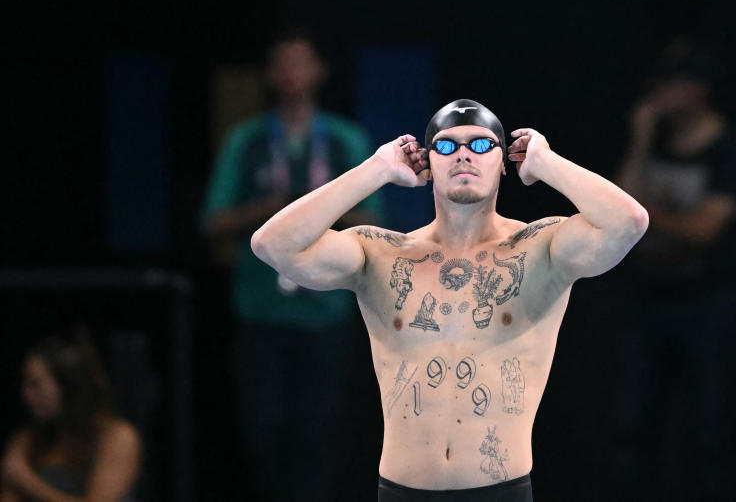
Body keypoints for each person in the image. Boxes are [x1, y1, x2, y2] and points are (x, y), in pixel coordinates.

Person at [248, 98, 648, 500]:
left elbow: (628, 222)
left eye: (480, 145)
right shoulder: (384, 255)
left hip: (500, 490)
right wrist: (376, 170)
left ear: (503, 162)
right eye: (445, 146)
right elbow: (272, 244)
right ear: (426, 164)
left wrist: (548, 163)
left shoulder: (539, 251)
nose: (462, 155)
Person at [200, 29, 386, 502]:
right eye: (280, 64)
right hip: (261, 310)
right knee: (263, 432)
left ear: (319, 71)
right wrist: (272, 208)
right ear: (268, 74)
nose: (289, 74)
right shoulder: (247, 140)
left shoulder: (346, 139)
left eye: (299, 63)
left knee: (317, 432)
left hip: (327, 313)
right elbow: (212, 221)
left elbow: (378, 223)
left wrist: (321, 207)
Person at [611, 36, 736, 501]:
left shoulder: (729, 150)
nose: (658, 93)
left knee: (708, 433)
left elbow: (703, 232)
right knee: (633, 427)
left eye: (670, 84)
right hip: (649, 301)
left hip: (708, 303)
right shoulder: (653, 142)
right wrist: (640, 140)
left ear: (698, 89)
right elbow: (614, 214)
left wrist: (645, 214)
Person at [1, 330, 142, 502]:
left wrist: (27, 481)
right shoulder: (28, 439)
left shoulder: (116, 436)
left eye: (36, 384)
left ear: (67, 385)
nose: (26, 395)